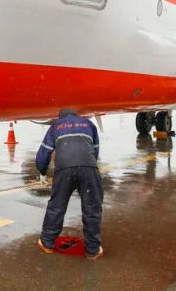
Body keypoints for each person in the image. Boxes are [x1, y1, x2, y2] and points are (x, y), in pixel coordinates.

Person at [35, 108, 104, 260]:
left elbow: (44, 151)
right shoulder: (88, 124)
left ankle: (47, 243)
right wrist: (88, 166)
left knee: (56, 207)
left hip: (64, 169)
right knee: (92, 208)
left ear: (60, 117)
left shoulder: (56, 126)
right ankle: (93, 250)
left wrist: (42, 171)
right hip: (88, 168)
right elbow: (95, 150)